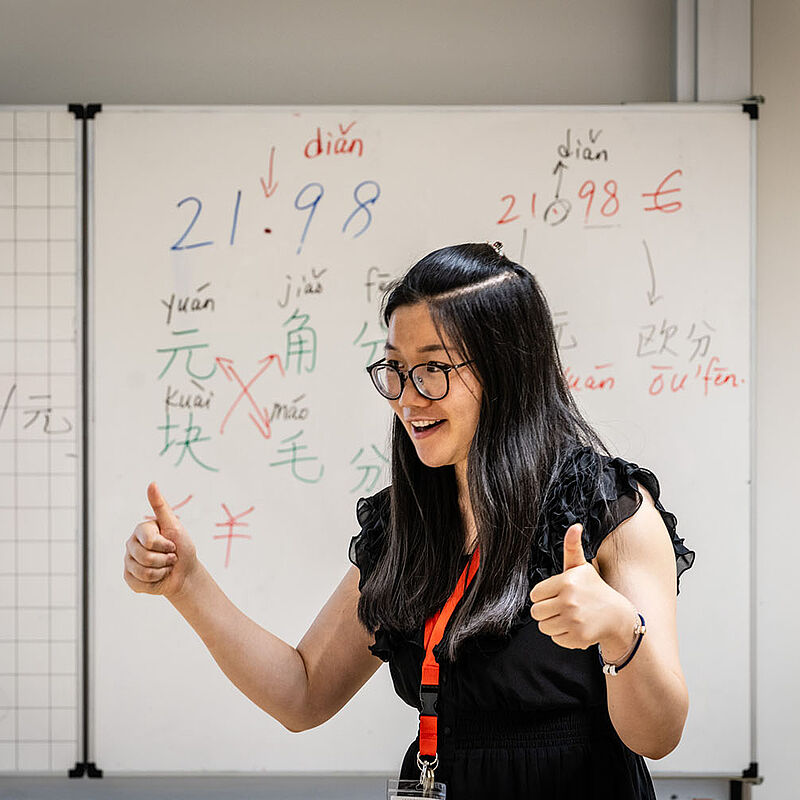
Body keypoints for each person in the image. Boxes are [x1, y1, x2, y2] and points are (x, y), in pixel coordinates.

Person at [124, 242, 695, 799]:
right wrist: (189, 585)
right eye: (396, 369)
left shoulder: (606, 511)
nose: (407, 398)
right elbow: (303, 694)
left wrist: (621, 631)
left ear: (506, 371)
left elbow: (659, 736)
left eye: (432, 371)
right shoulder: (407, 523)